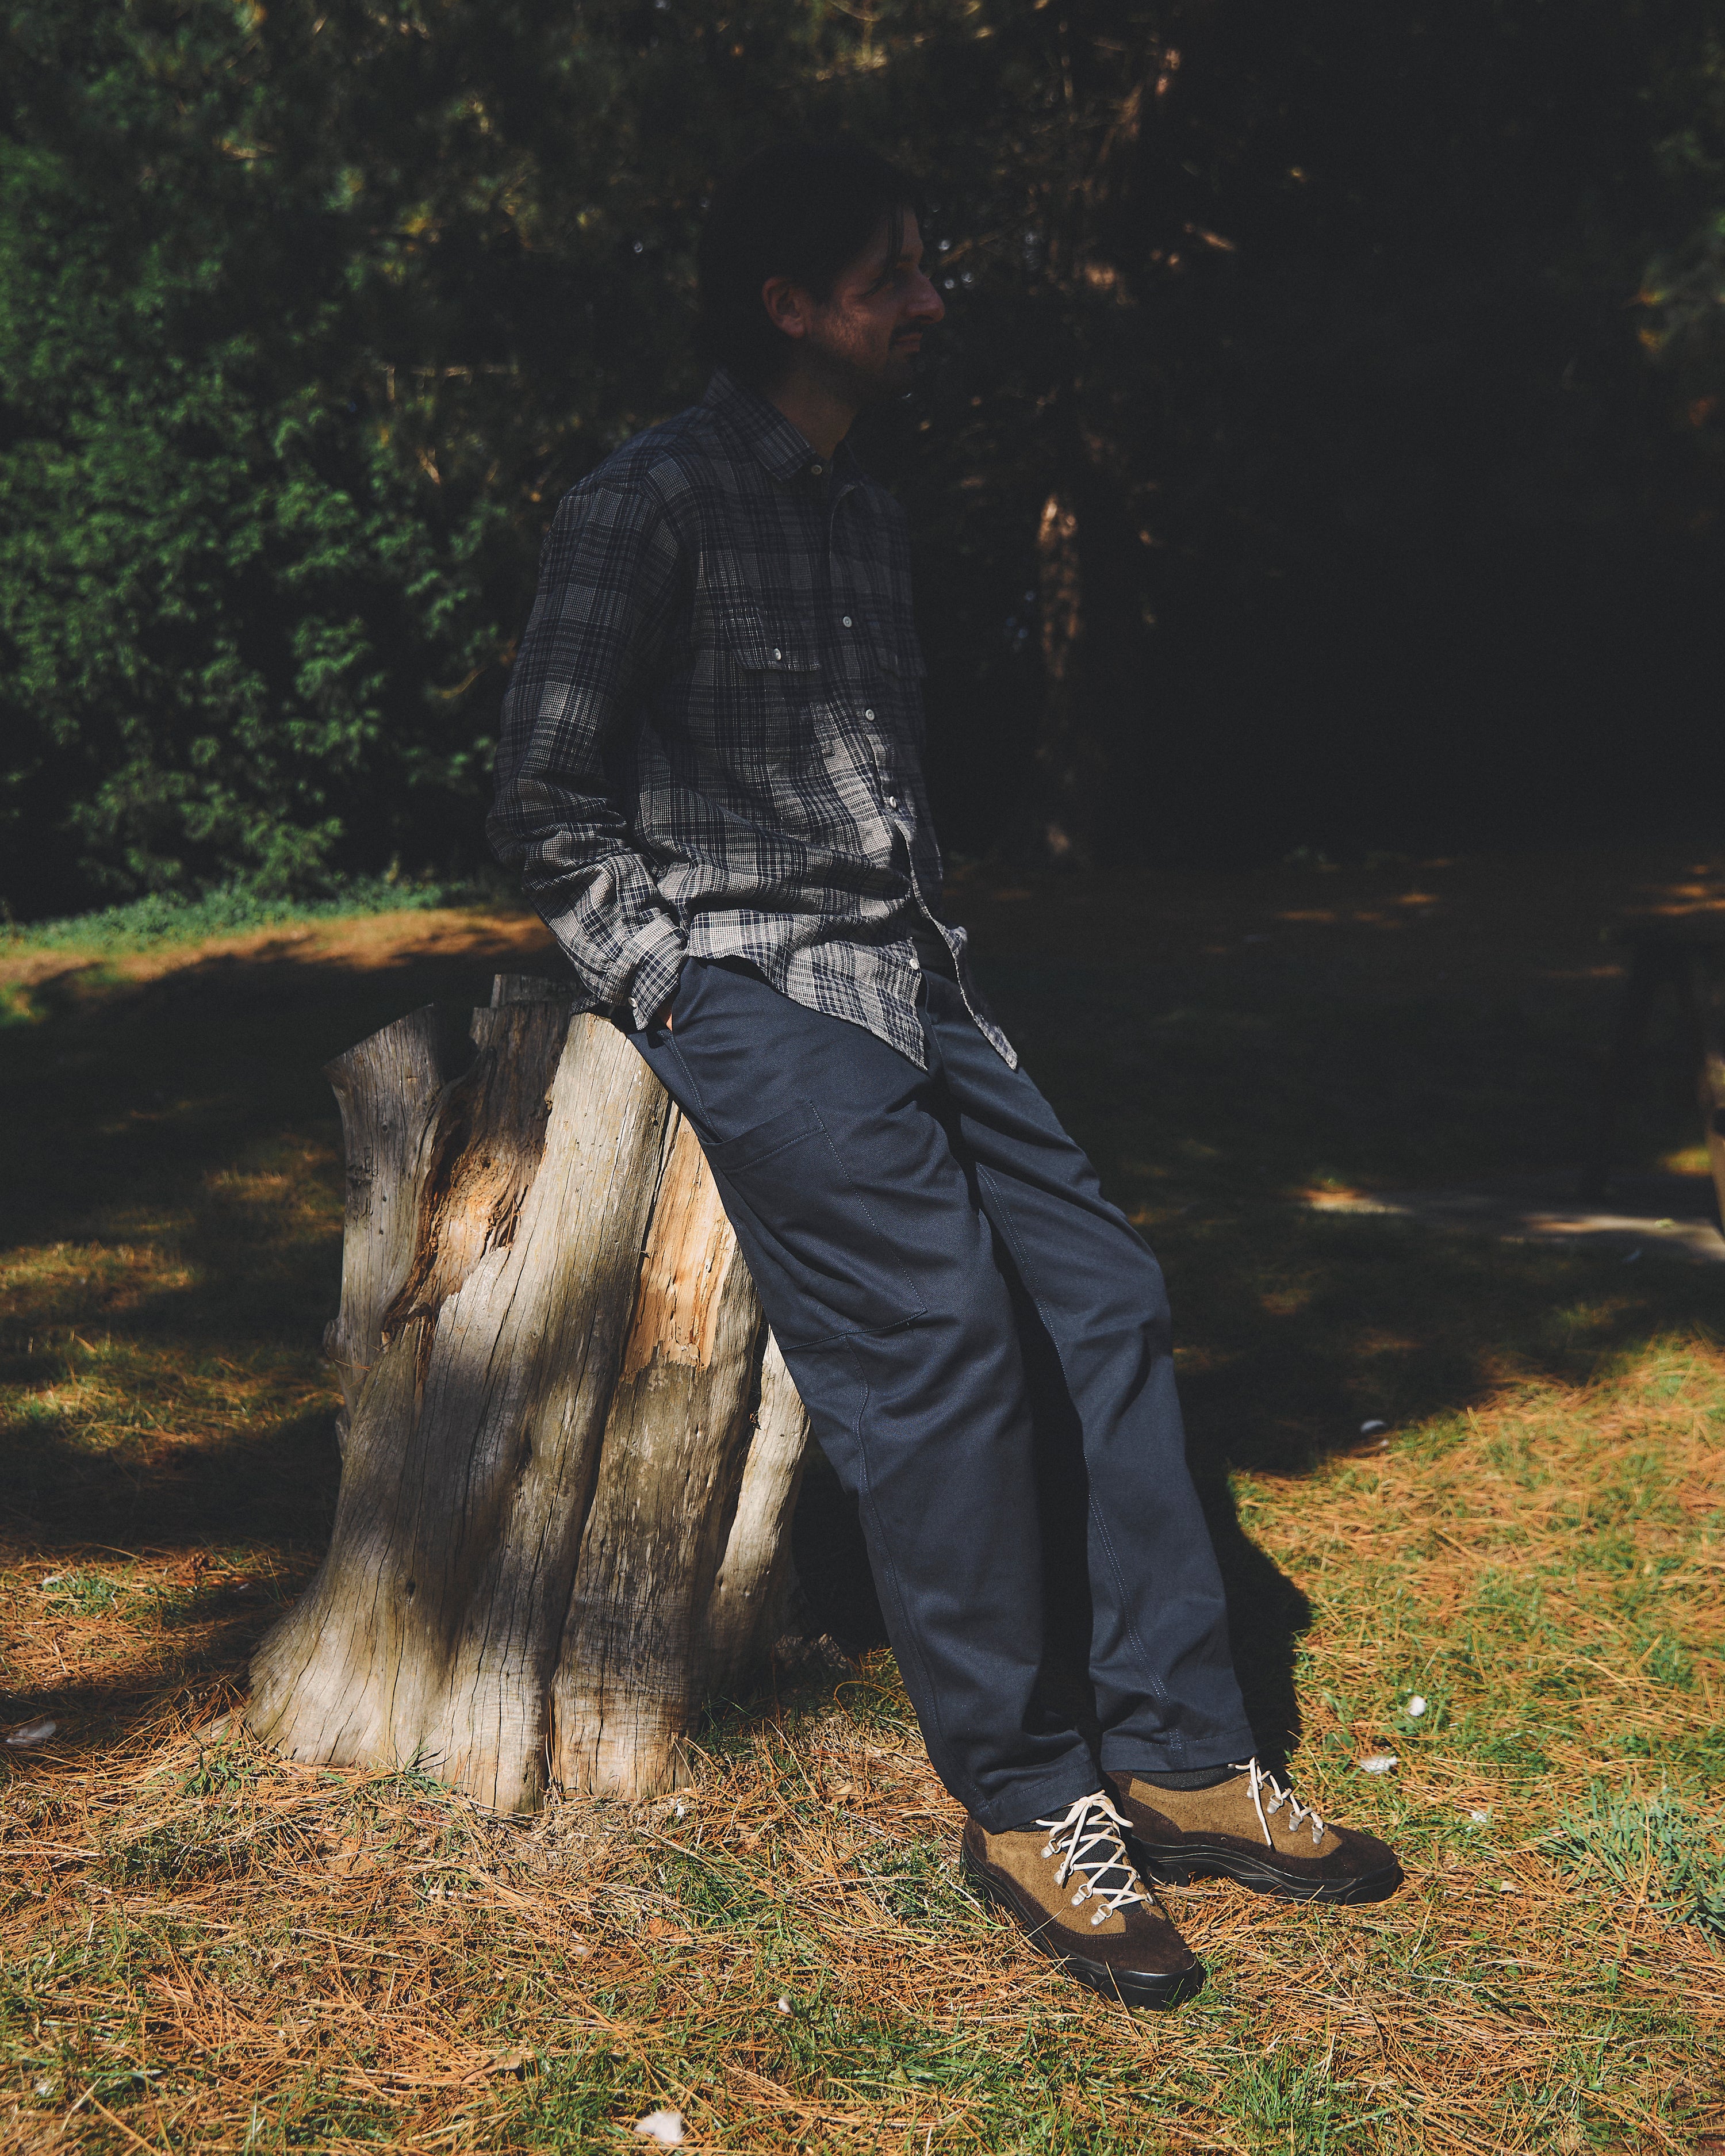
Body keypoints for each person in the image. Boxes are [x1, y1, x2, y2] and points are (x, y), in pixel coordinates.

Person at [488, 140, 1401, 2008]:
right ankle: (1024, 1798)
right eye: (896, 275)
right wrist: (670, 989)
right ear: (792, 306)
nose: (930, 301)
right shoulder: (642, 507)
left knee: (1110, 1299)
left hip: (918, 982)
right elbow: (543, 800)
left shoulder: (868, 518)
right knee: (946, 1350)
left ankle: (1173, 1747)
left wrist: (929, 986)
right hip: (748, 984)